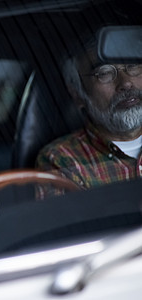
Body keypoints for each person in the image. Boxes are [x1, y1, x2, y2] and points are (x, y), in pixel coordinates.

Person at [36, 34, 142, 189]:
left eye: (132, 66)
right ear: (77, 94)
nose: (126, 83)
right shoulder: (63, 159)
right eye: (105, 72)